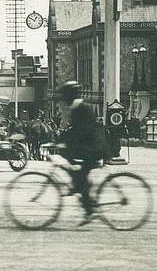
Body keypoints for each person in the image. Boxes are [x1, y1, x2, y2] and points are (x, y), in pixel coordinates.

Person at [55, 81, 106, 219]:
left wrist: (65, 143)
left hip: (93, 148)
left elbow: (82, 130)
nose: (64, 99)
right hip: (89, 147)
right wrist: (60, 141)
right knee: (76, 169)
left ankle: (89, 208)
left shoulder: (81, 108)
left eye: (65, 95)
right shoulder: (77, 107)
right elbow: (72, 130)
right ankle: (83, 195)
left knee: (79, 172)